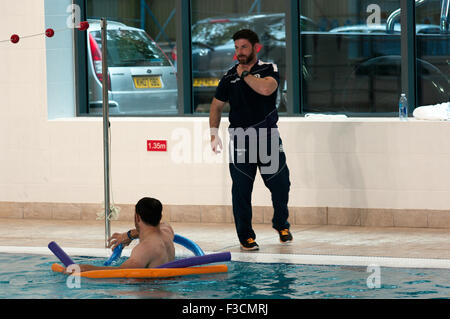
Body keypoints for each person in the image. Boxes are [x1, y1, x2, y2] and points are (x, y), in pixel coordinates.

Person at [209, 29, 293, 251]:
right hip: (241, 140)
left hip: (268, 139)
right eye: (236, 48)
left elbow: (266, 89)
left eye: (244, 47)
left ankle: (281, 224)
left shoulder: (268, 69)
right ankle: (245, 236)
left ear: (256, 48)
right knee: (241, 190)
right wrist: (213, 133)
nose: (239, 52)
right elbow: (216, 105)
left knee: (281, 184)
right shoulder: (228, 76)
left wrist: (245, 74)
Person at [66, 197, 175, 272]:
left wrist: (83, 268)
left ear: (137, 217)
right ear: (160, 217)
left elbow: (119, 273)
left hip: (151, 293)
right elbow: (155, 228)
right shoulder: (167, 230)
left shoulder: (144, 249)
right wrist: (129, 235)